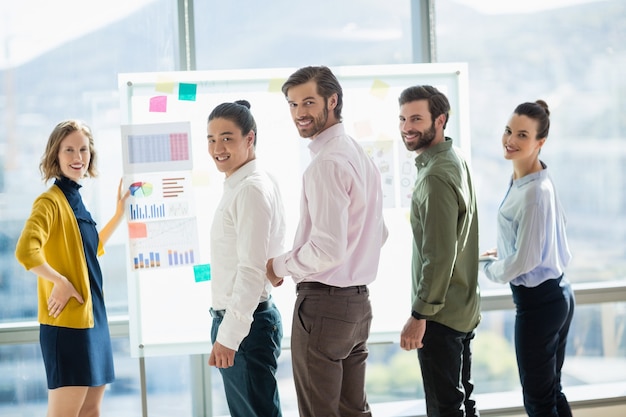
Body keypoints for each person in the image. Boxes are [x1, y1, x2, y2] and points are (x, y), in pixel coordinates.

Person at [265, 65, 388, 417]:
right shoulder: (359, 156)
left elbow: (328, 249)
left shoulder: (325, 164)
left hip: (324, 305)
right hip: (358, 306)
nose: (299, 113)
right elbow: (379, 233)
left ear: (332, 101)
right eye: (292, 104)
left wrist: (278, 265)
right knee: (354, 411)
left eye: (308, 102)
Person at [14, 119, 129, 417]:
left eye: (83, 149)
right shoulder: (49, 201)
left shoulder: (76, 199)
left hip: (95, 321)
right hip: (68, 326)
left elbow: (88, 251)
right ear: (55, 155)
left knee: (91, 411)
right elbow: (26, 250)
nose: (78, 157)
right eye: (69, 150)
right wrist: (60, 282)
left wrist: (118, 215)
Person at [482, 100, 574, 417]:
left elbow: (526, 261)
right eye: (509, 131)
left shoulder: (534, 192)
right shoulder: (529, 179)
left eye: (523, 135)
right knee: (550, 393)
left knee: (538, 401)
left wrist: (489, 269)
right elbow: (535, 240)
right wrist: (503, 252)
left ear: (540, 142)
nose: (511, 140)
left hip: (539, 305)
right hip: (555, 295)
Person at [398, 85, 481, 417]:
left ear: (441, 120)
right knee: (462, 402)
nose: (407, 127)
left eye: (416, 118)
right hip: (462, 307)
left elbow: (438, 255)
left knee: (445, 409)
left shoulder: (434, 177)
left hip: (440, 316)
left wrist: (419, 316)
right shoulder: (455, 158)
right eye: (403, 118)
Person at [206, 100, 286, 417]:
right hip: (244, 322)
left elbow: (251, 270)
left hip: (245, 326)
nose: (217, 148)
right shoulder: (242, 184)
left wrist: (229, 337)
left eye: (227, 137)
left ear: (249, 138)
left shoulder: (250, 189)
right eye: (211, 139)